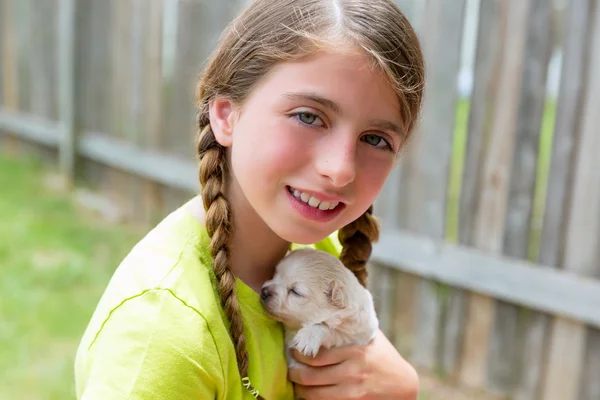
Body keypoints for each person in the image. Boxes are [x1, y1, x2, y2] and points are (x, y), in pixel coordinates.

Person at [74, 0, 425, 398]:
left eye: (375, 139)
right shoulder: (164, 331)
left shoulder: (315, 256)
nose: (340, 168)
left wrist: (401, 388)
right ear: (226, 115)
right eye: (308, 116)